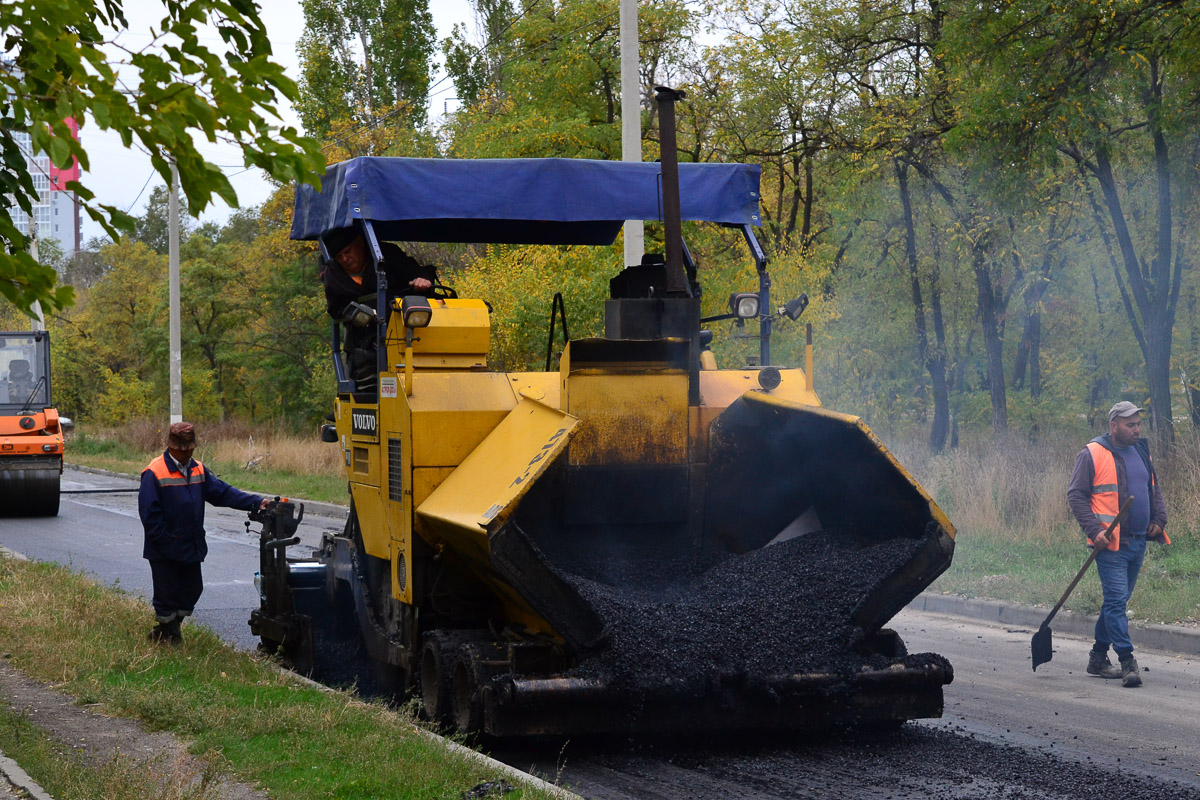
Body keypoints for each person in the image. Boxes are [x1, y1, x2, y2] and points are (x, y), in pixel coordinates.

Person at [1067, 401, 1169, 687]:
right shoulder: (1092, 453)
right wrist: (1093, 529)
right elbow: (1076, 495)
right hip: (1110, 544)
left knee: (1117, 603)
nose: (1136, 429)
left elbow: (1153, 488)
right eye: (1130, 425)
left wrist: (1159, 519)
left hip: (1138, 542)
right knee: (1115, 602)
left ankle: (1098, 657)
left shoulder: (1140, 451)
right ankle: (1128, 662)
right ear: (1114, 426)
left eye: (1138, 424)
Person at [138, 422, 269, 644]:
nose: (188, 452)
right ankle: (169, 635)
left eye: (191, 447)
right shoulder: (154, 472)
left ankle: (166, 632)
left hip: (190, 544)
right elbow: (150, 517)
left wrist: (256, 502)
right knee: (167, 594)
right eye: (183, 448)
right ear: (172, 446)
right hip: (164, 548)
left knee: (192, 589)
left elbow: (223, 493)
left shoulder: (197, 469)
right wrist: (167, 542)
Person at [320, 227, 437, 378]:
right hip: (363, 337)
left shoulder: (387, 254)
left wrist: (422, 280)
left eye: (348, 251)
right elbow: (335, 308)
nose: (344, 259)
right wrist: (356, 314)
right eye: (339, 256)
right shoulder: (333, 274)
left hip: (406, 327)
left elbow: (417, 272)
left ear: (360, 243)